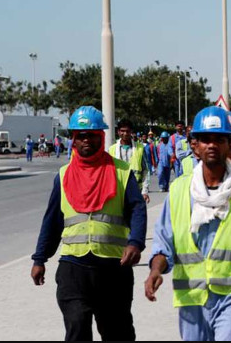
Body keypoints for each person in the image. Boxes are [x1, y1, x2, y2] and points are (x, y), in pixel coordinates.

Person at [145, 107, 231, 341]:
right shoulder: (178, 191)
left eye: (220, 139)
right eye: (205, 139)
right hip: (191, 298)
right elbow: (164, 243)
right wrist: (156, 270)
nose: (212, 145)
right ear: (194, 145)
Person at [31, 106, 147, 341]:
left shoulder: (121, 172)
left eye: (91, 135)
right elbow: (52, 221)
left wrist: (135, 242)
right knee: (77, 326)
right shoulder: (63, 175)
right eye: (80, 135)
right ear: (73, 138)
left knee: (118, 333)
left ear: (101, 137)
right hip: (74, 269)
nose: (85, 140)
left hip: (113, 269)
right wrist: (39, 258)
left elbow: (137, 209)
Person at [109, 119, 151, 204]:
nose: (125, 133)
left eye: (127, 131)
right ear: (118, 132)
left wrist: (145, 191)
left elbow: (145, 171)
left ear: (131, 132)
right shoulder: (112, 149)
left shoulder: (140, 148)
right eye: (122, 131)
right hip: (118, 192)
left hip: (136, 190)